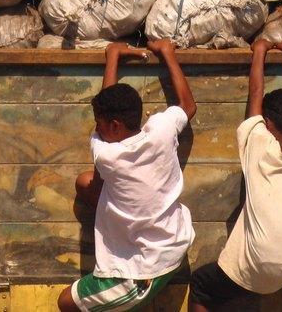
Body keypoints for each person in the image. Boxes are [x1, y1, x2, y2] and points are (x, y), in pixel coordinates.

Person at [57, 39, 197, 312]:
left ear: (114, 125)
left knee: (65, 302)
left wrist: (112, 56)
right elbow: (188, 105)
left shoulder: (107, 156)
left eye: (99, 124)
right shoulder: (161, 128)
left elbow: (105, 110)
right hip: (174, 241)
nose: (96, 128)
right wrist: (167, 53)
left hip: (141, 273)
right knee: (86, 182)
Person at [187, 38, 282, 311]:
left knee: (201, 284)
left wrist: (259, 50)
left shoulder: (259, 146)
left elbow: (255, 95)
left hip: (262, 263)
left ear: (268, 124)